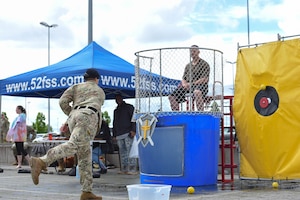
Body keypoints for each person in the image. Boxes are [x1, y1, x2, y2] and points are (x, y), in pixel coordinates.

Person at [30, 68, 105, 200]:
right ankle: (42, 161)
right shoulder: (99, 90)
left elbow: (62, 102)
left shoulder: (75, 87)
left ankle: (87, 191)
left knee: (84, 155)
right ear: (96, 79)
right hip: (88, 116)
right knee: (74, 145)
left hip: (73, 116)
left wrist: (71, 113)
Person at [168, 45, 210, 111]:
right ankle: (176, 113)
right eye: (191, 51)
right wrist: (184, 84)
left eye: (194, 51)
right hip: (188, 86)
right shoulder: (188, 66)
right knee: (171, 96)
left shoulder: (204, 64)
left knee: (197, 92)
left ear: (198, 52)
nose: (192, 53)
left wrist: (191, 84)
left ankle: (201, 113)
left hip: (201, 86)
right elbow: (184, 78)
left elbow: (205, 79)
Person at [112, 93, 138, 175]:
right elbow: (114, 122)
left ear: (122, 98)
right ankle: (124, 168)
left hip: (128, 132)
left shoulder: (129, 107)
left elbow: (134, 119)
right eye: (116, 99)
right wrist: (114, 134)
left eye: (119, 98)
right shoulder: (116, 110)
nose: (117, 100)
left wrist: (133, 130)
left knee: (130, 151)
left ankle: (133, 169)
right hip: (119, 134)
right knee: (122, 152)